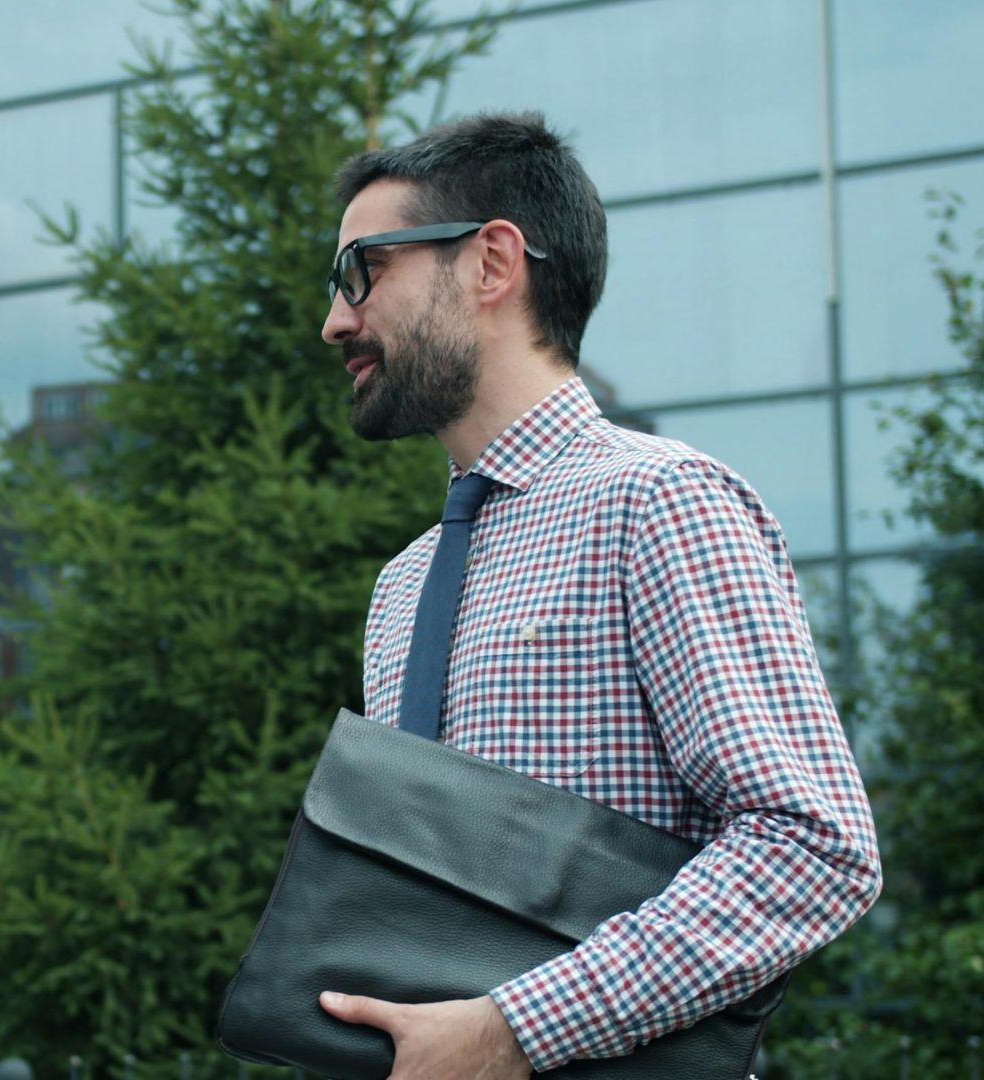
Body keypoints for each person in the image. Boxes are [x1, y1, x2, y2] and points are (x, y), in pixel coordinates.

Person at [311, 112, 881, 1076]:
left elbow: (814, 846)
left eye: (361, 270)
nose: (335, 320)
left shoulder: (662, 502)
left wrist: (511, 1030)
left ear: (491, 263)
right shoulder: (404, 586)